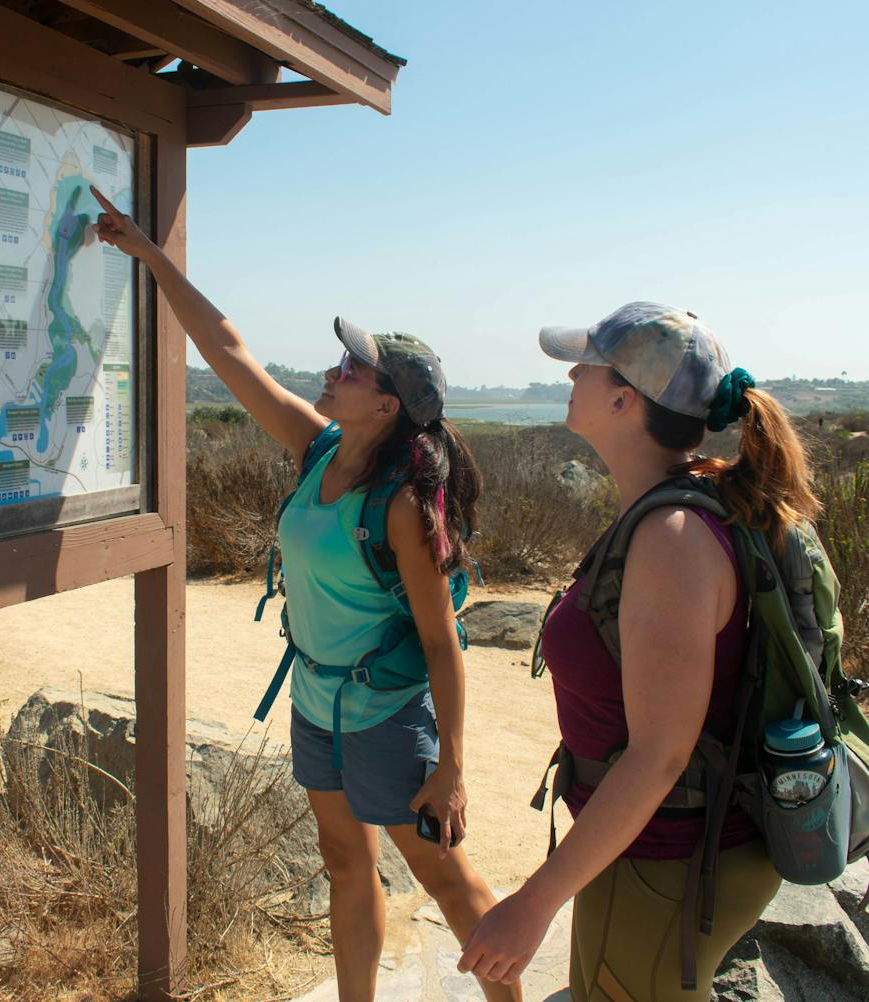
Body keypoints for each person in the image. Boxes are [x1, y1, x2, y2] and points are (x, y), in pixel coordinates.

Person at [89, 187, 522, 1002]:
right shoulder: (318, 448)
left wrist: (453, 769)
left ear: (387, 406)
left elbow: (442, 642)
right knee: (343, 863)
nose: (333, 371)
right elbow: (228, 348)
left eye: (353, 368)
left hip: (388, 712)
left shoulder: (400, 506)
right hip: (317, 699)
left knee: (444, 881)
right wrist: (151, 257)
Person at [458, 302, 808, 998]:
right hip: (641, 851)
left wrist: (531, 906)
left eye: (586, 362)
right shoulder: (672, 506)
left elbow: (661, 755)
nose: (572, 372)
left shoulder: (671, 536)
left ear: (624, 398)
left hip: (671, 860)